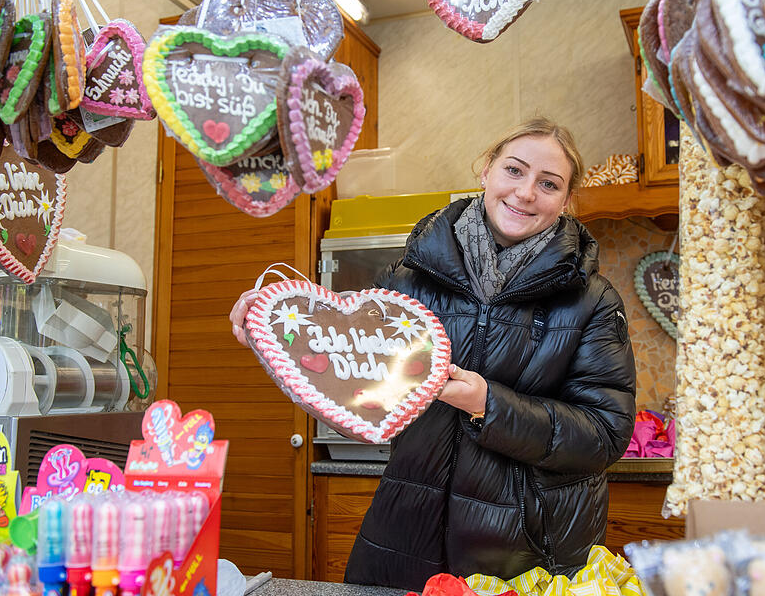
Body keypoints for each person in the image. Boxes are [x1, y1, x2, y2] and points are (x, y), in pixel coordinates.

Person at [230, 117, 636, 591]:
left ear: (566, 200)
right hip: (407, 535)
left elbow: (604, 436)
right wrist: (278, 339)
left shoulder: (593, 301)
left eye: (548, 183)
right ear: (486, 170)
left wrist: (490, 404)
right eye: (514, 171)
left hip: (527, 553)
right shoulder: (407, 280)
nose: (526, 193)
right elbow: (357, 397)